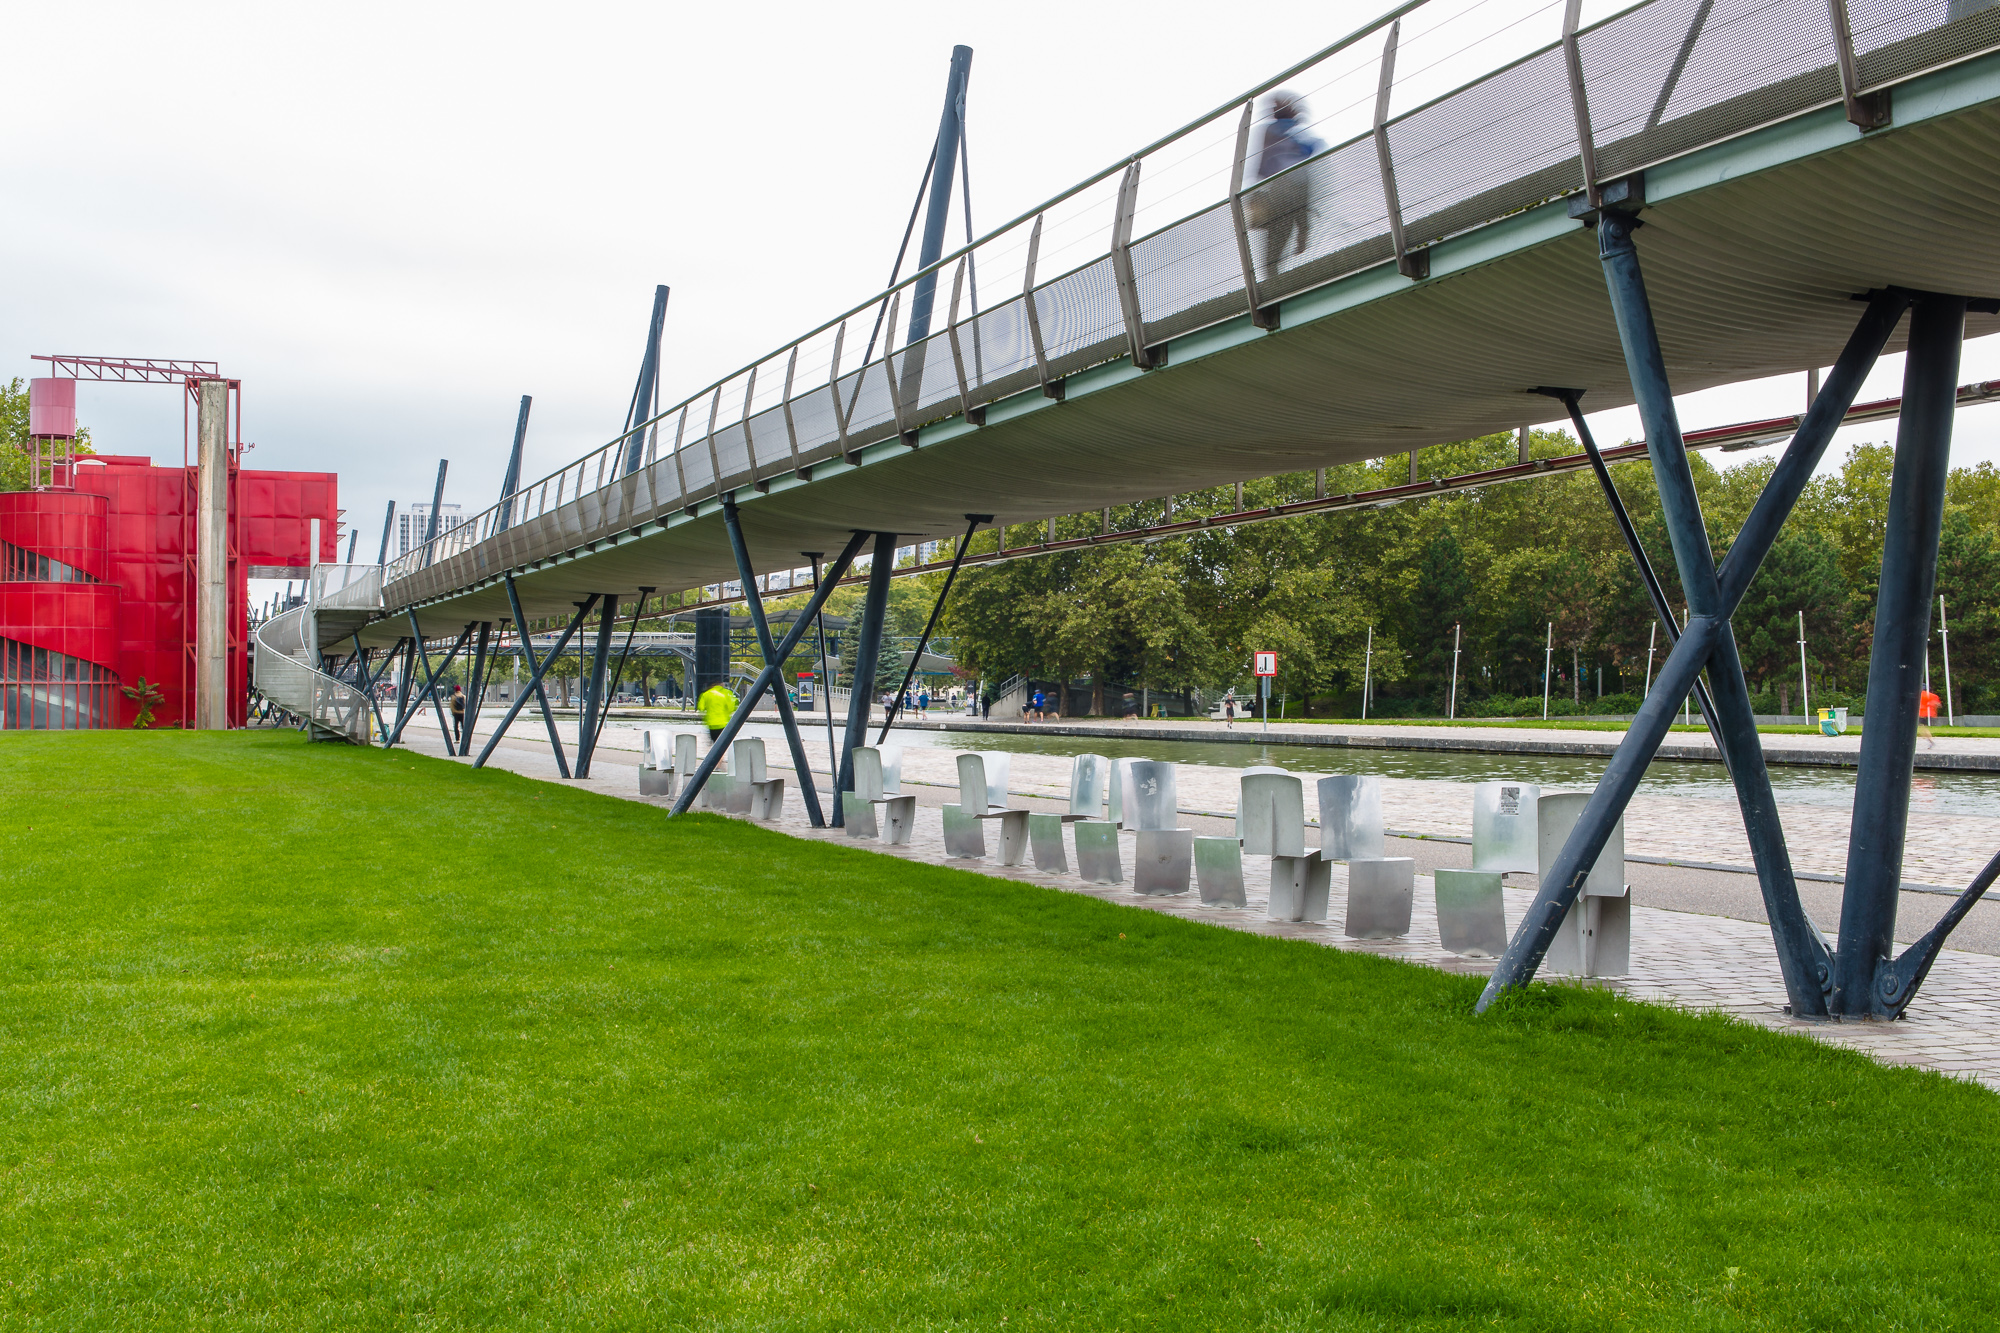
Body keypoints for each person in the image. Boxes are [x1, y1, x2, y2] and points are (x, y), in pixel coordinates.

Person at [1248, 91, 1325, 280]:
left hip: (1280, 189)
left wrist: (1256, 189)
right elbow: (1314, 146)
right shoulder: (1297, 130)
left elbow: (1261, 166)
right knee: (1298, 207)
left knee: (1273, 249)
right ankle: (1302, 232)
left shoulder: (1269, 131)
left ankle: (1272, 283)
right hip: (1298, 184)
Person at [697, 678, 739, 742]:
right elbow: (731, 708)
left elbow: (701, 708)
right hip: (724, 723)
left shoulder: (706, 694)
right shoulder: (727, 693)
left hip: (712, 724)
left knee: (715, 744)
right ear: (721, 684)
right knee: (723, 744)